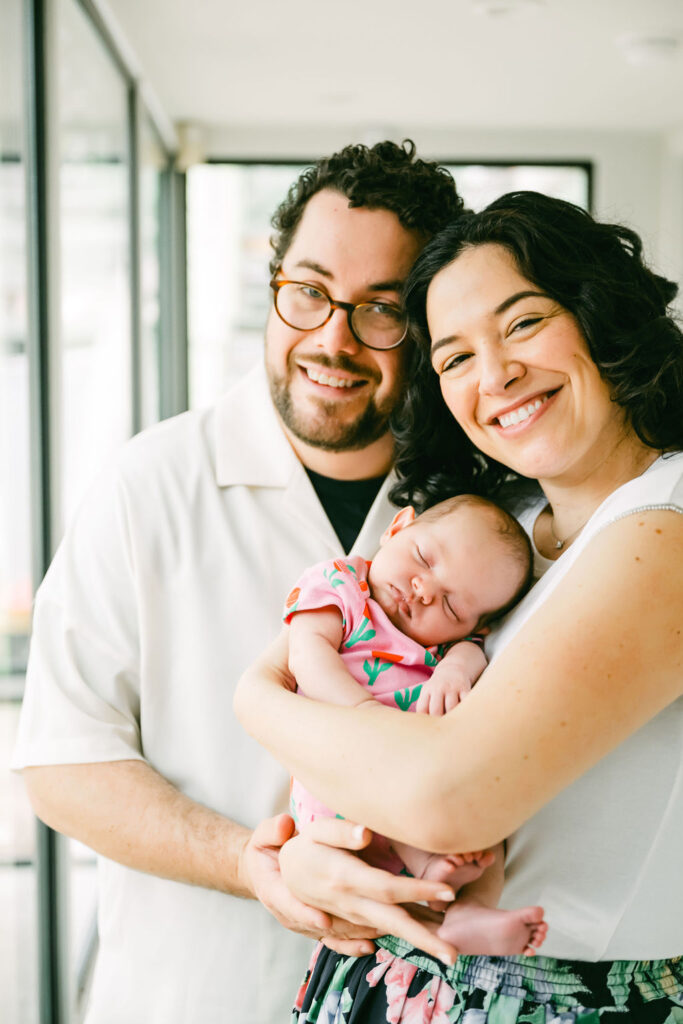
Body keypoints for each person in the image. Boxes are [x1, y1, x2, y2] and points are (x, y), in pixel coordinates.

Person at [11, 141, 467, 1023]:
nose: (332, 338)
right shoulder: (150, 482)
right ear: (273, 284)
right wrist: (253, 862)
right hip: (196, 994)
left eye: (380, 309)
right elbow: (64, 760)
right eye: (308, 291)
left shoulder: (483, 508)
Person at [234, 191, 683, 1022]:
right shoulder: (501, 527)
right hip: (393, 979)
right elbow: (358, 646)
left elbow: (446, 799)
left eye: (520, 324)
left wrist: (253, 698)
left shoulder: (666, 522)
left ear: (596, 312)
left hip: (561, 1000)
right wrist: (307, 859)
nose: (495, 375)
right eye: (453, 358)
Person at [285, 493, 549, 957]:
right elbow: (307, 654)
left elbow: (474, 652)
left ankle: (468, 909)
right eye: (424, 557)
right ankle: (434, 877)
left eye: (450, 606)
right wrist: (364, 714)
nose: (424, 590)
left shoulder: (450, 645)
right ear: (397, 527)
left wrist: (456, 668)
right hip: (340, 776)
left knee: (486, 833)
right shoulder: (343, 585)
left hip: (412, 795)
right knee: (416, 811)